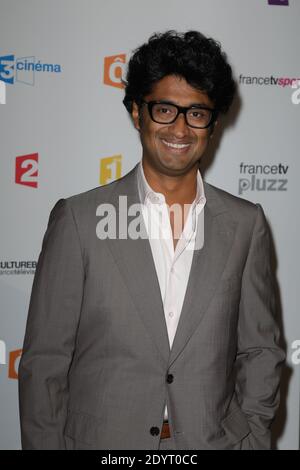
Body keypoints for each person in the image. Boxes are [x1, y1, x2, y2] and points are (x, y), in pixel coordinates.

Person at [18, 30, 285, 450]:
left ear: (212, 124)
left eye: (197, 113)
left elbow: (260, 351)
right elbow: (45, 363)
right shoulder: (79, 219)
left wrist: (251, 438)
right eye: (164, 109)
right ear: (137, 114)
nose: (180, 127)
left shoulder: (245, 224)